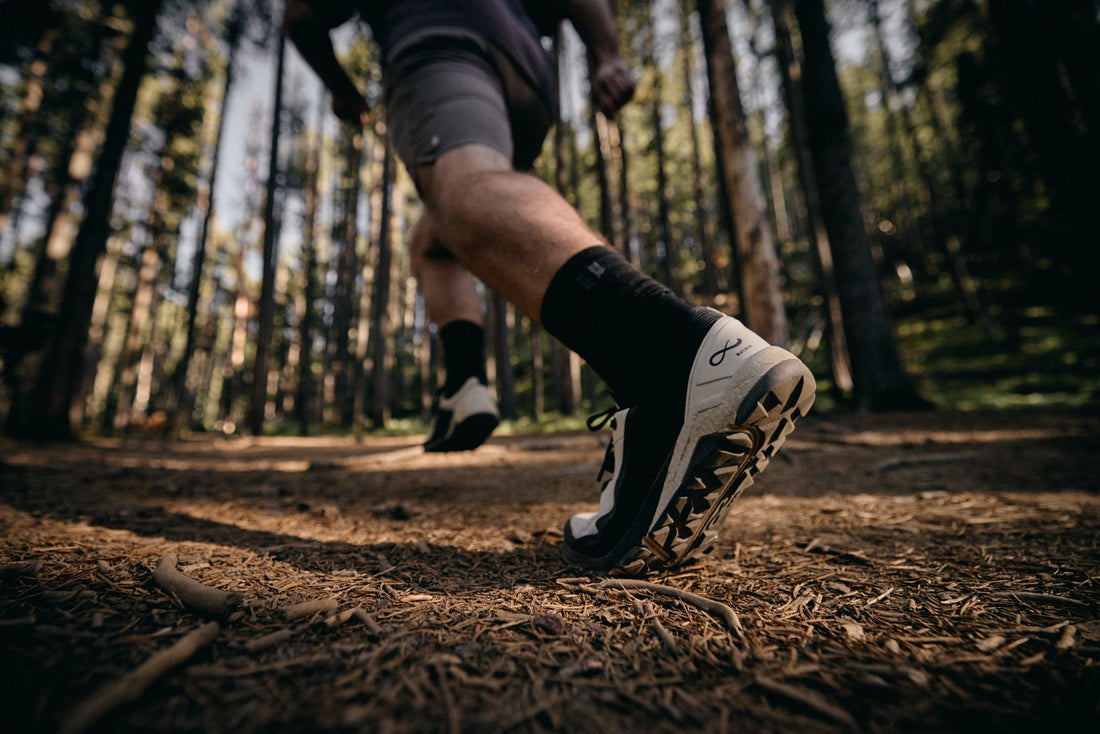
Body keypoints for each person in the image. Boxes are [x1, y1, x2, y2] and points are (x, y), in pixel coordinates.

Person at [285, 0, 816, 575]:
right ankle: (466, 385)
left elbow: (301, 15)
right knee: (435, 241)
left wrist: (340, 88)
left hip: (440, 37)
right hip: (529, 79)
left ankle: (666, 353)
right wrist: (607, 56)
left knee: (466, 193)